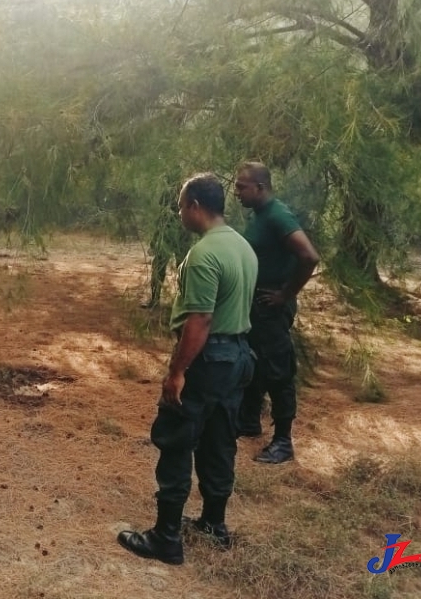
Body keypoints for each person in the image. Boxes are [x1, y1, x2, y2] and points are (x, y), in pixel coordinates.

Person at [117, 173, 257, 566]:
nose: (180, 213)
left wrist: (176, 372)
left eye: (181, 206)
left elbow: (200, 321)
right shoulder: (242, 247)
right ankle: (214, 524)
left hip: (208, 361)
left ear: (195, 205)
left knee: (177, 439)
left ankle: (166, 538)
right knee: (219, 440)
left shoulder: (204, 254)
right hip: (238, 358)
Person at [233, 162, 320, 465]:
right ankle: (248, 422)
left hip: (272, 307)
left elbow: (309, 256)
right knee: (255, 364)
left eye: (242, 186)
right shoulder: (259, 215)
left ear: (260, 187)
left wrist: (286, 294)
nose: (236, 192)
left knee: (279, 371)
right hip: (257, 305)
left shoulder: (278, 215)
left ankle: (283, 441)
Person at [143, 177, 194, 309]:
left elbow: (163, 217)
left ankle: (182, 302)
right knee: (161, 267)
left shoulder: (185, 193)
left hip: (178, 234)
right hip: (172, 234)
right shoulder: (183, 192)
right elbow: (163, 217)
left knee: (181, 269)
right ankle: (156, 300)